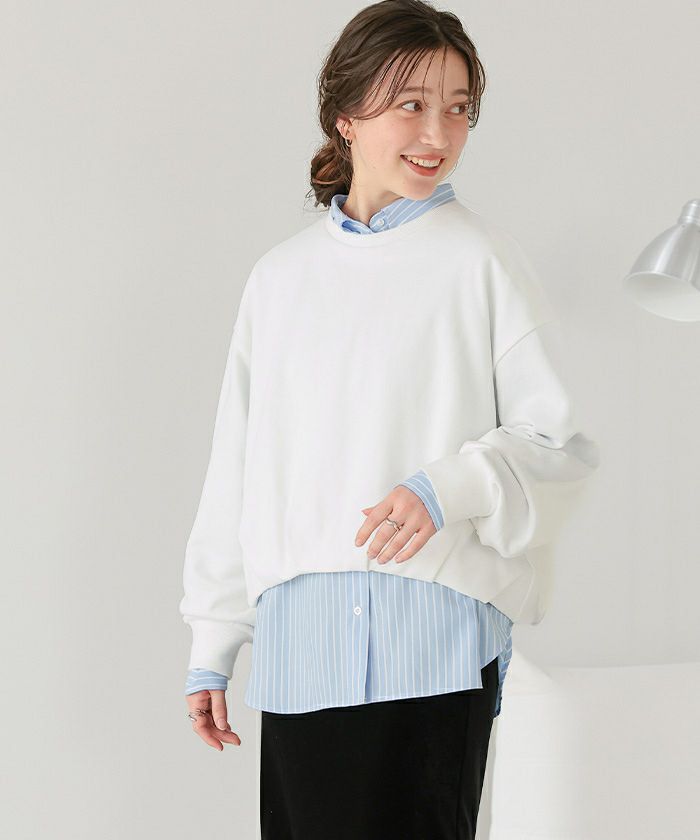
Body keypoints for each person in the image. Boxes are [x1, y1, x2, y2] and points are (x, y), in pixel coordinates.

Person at [179, 1, 600, 838]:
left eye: (459, 107)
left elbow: (559, 446)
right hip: (303, 648)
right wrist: (213, 640)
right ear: (346, 114)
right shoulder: (279, 280)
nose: (438, 132)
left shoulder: (480, 260)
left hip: (431, 637)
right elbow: (240, 466)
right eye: (412, 103)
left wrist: (446, 488)